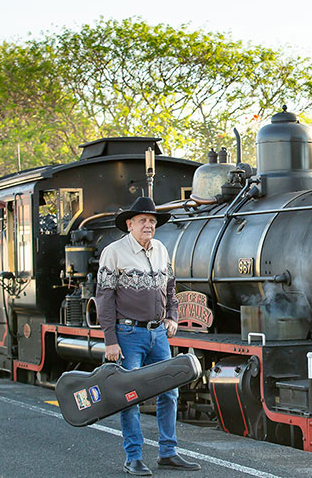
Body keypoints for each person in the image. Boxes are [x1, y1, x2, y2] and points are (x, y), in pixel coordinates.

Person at [96, 196, 201, 475]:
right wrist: (110, 340)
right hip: (128, 333)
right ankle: (133, 457)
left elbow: (170, 287)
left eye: (152, 221)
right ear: (129, 224)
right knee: (128, 395)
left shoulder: (161, 250)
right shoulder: (114, 252)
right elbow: (104, 299)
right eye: (142, 220)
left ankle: (168, 452)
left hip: (158, 334)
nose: (148, 225)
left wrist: (173, 316)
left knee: (170, 393)